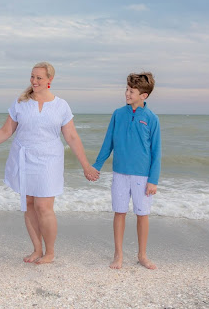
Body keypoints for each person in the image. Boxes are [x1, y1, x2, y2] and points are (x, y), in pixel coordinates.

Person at [0, 62, 100, 264]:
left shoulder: (61, 105)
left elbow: (72, 137)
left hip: (49, 159)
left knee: (44, 206)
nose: (34, 81)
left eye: (39, 78)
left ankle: (50, 252)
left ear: (50, 80)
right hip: (24, 158)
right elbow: (6, 131)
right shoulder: (20, 103)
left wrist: (86, 165)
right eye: (32, 77)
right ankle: (36, 249)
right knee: (29, 204)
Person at [92, 72, 161, 270]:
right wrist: (97, 165)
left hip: (142, 176)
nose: (127, 93)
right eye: (127, 89)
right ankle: (118, 254)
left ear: (143, 96)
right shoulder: (118, 114)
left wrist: (153, 180)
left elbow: (156, 152)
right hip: (120, 173)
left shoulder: (151, 119)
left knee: (142, 214)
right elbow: (108, 143)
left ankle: (142, 255)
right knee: (119, 212)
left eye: (131, 91)